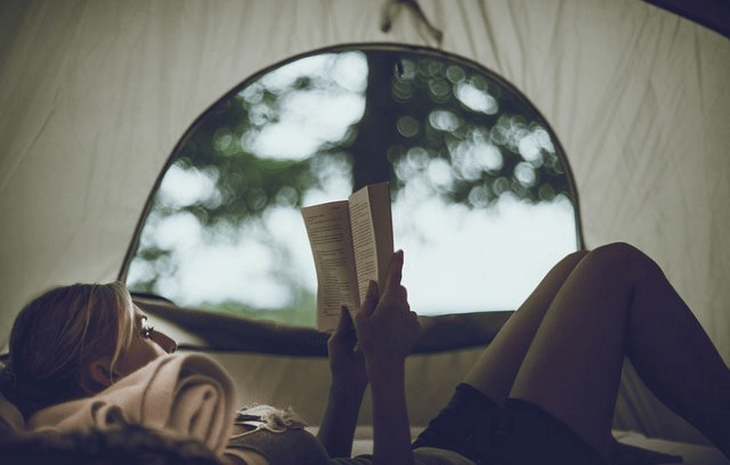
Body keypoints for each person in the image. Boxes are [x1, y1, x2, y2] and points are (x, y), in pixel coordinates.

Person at [0, 242, 729, 464]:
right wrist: (388, 369)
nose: (164, 338)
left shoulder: (194, 421)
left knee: (576, 267)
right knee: (616, 269)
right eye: (141, 330)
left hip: (443, 450)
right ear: (102, 372)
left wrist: (346, 385)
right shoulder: (170, 451)